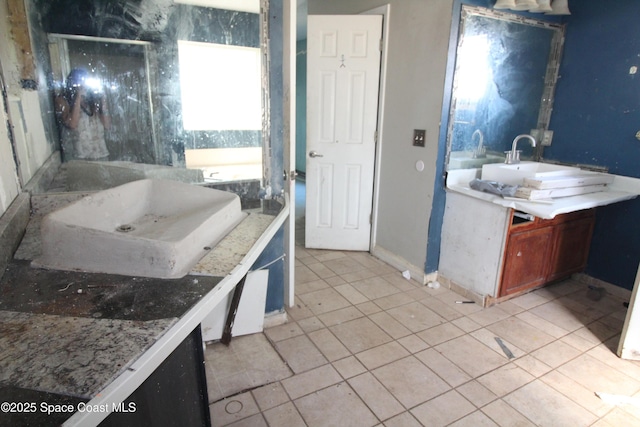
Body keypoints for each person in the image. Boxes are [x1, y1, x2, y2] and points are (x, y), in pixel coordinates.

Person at [55, 68, 110, 161]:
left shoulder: (93, 100)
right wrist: (78, 95)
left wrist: (103, 100)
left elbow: (107, 125)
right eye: (79, 80)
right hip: (77, 157)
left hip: (100, 154)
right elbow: (72, 124)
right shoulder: (62, 100)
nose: (83, 84)